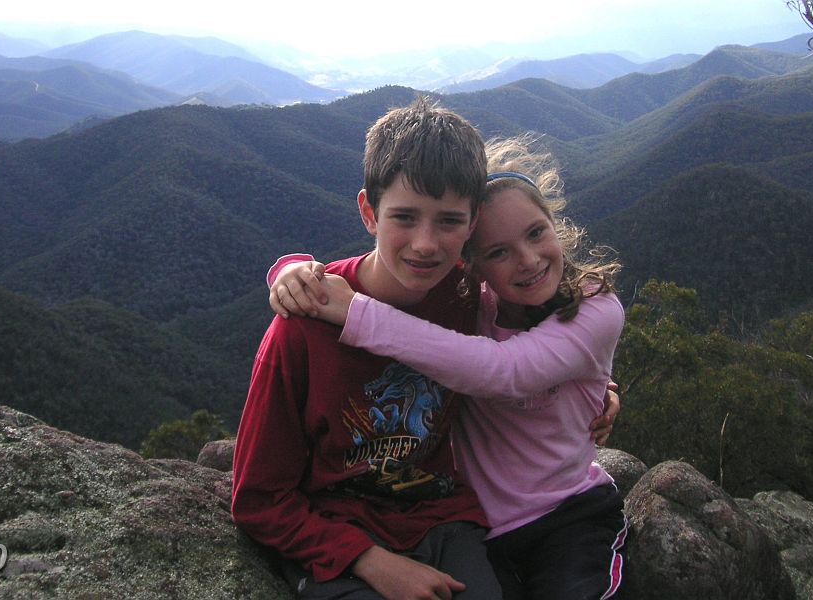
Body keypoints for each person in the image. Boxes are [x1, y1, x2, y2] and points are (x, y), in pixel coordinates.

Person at [269, 136, 627, 600]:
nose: (527, 259)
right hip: (477, 527)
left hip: (570, 516)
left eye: (537, 232)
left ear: (556, 223)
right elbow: (404, 287)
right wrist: (294, 271)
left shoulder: (594, 307)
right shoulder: (469, 303)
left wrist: (355, 312)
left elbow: (503, 370)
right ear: (470, 265)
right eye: (498, 251)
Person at [231, 97, 506, 600]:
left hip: (440, 519)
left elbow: (530, 358)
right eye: (404, 217)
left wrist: (598, 392)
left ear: (473, 222)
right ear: (368, 212)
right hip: (331, 532)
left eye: (448, 221)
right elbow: (257, 497)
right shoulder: (305, 324)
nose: (425, 243)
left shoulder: (472, 299)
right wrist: (372, 562)